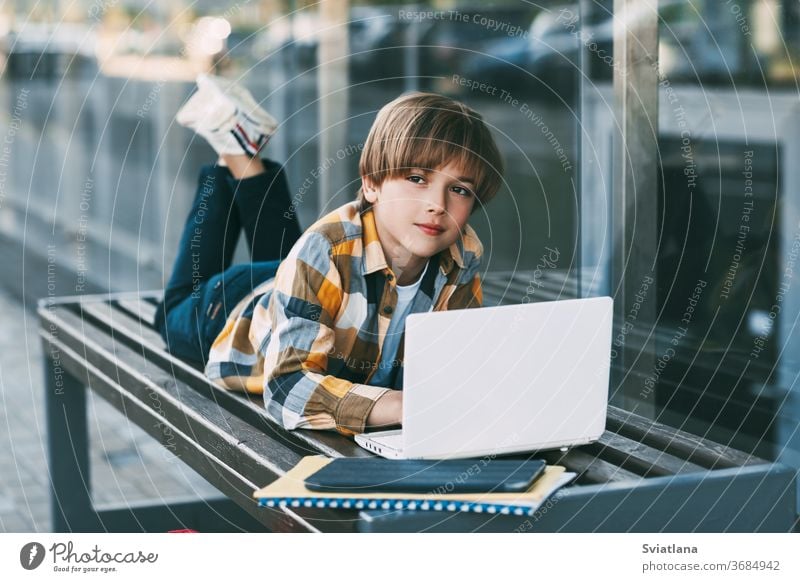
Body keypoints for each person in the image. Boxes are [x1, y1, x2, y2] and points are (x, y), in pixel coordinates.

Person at [155, 75, 505, 437]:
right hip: (232, 307)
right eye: (417, 178)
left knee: (309, 254)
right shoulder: (325, 248)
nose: (437, 205)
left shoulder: (462, 253)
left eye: (460, 189)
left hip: (309, 286)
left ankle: (239, 144)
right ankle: (233, 150)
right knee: (170, 312)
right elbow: (287, 388)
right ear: (371, 184)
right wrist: (400, 405)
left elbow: (453, 366)